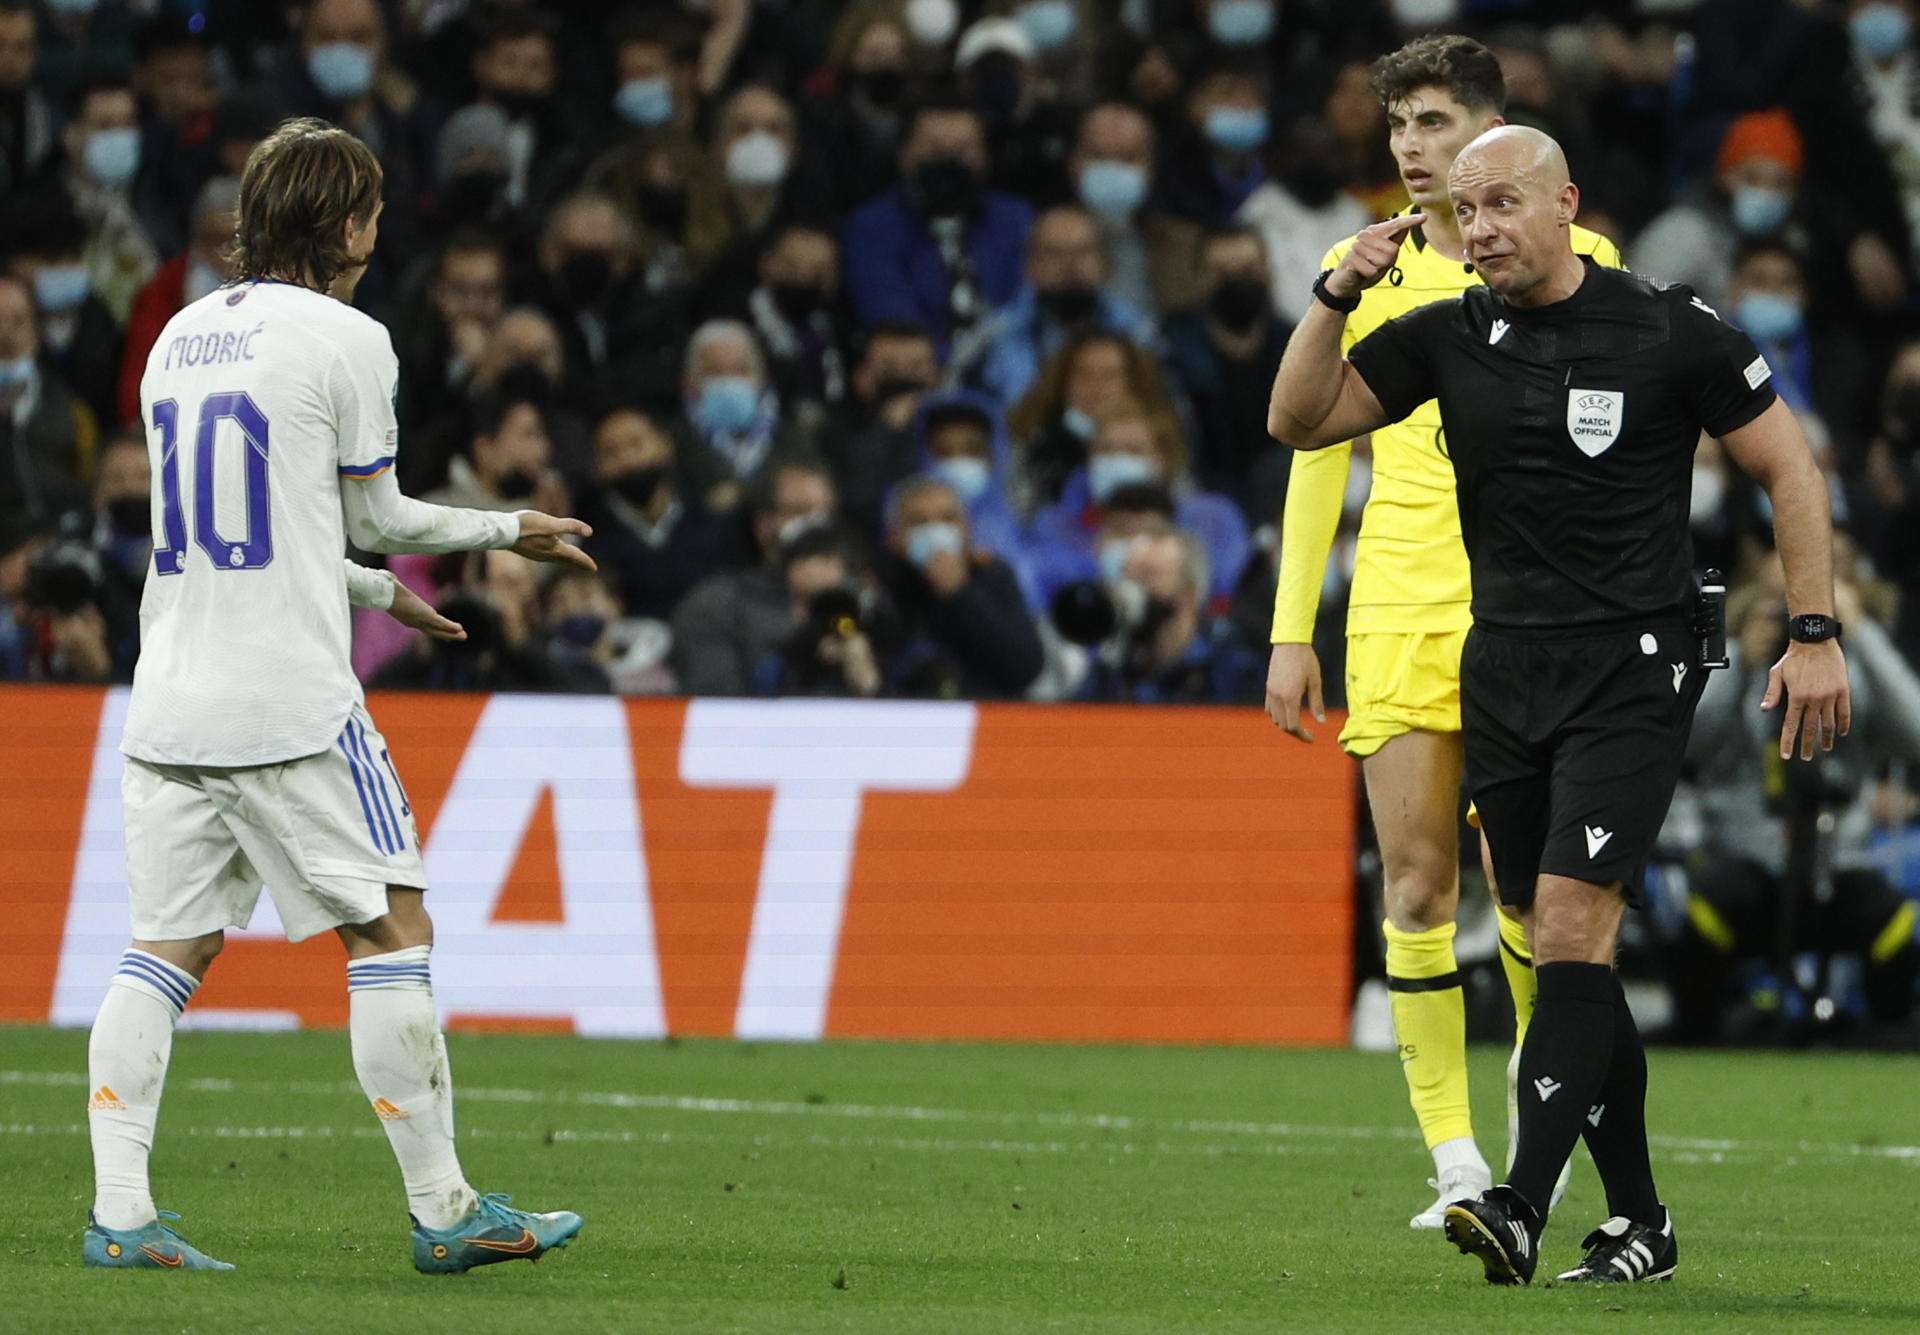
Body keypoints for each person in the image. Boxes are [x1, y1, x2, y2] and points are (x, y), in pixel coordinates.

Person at [1268, 124, 1850, 1286]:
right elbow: (1299, 420)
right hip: (1506, 670)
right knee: (1558, 946)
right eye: (1462, 213)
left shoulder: (1669, 328)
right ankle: (1641, 1220)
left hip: (1634, 667)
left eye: (1499, 207)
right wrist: (1336, 293)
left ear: (1563, 203)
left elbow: (1790, 466)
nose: (1477, 230)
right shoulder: (1445, 335)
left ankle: (1520, 1202)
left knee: (1576, 928)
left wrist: (1815, 632)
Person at [92, 117, 591, 1275]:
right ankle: (446, 1210)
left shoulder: (177, 337)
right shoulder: (349, 338)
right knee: (392, 929)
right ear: (349, 222)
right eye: (369, 209)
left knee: (167, 949)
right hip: (289, 699)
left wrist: (372, 590)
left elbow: (246, 530)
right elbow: (381, 516)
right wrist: (507, 529)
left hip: (169, 692)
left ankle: (121, 1219)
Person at [1264, 36, 1623, 1232]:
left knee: (1525, 901)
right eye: (1400, 129)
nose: (1413, 149)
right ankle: (1457, 1163)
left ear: (1491, 128)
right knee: (1415, 888)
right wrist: (1289, 627)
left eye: (1434, 124)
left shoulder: (1586, 263)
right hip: (1404, 609)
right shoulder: (1354, 268)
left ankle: (1541, 1144)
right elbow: (1313, 448)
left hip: (1533, 616)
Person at [952, 203, 1159, 410]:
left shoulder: (1140, 335)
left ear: (1104, 263)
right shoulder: (992, 339)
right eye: (1054, 253)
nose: (1070, 265)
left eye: (1083, 251)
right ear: (1030, 265)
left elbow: (1167, 417)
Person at [877, 473, 1044, 698]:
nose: (935, 531)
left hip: (986, 716)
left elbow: (1025, 667)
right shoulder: (882, 585)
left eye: (948, 519)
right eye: (919, 522)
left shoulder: (993, 575)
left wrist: (961, 593)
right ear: (894, 537)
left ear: (967, 529)